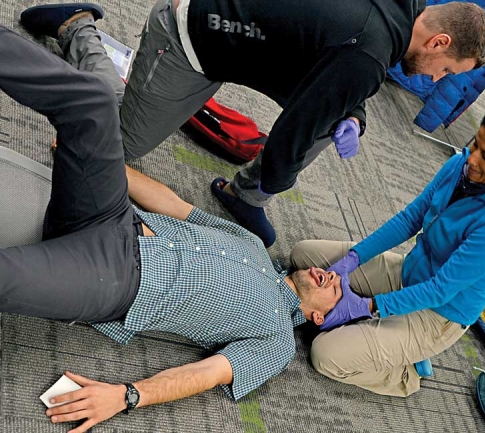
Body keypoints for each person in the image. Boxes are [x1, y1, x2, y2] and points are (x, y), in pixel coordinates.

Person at [0, 18, 343, 433]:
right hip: (116, 217)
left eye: (337, 291)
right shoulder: (253, 244)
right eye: (337, 275)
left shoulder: (277, 343)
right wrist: (100, 160)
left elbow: (206, 375)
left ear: (319, 319)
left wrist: (126, 395)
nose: (333, 277)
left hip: (116, 281)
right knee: (93, 103)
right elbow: (175, 206)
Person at [21, 0, 485, 248]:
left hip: (252, 42)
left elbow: (345, 70)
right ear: (439, 41)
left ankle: (241, 195)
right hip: (189, 38)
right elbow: (294, 132)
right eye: (445, 70)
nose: (435, 79)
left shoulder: (403, 8)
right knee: (114, 149)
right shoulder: (368, 53)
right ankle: (77, 28)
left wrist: (354, 112)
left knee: (336, 115)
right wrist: (276, 175)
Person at [290, 105, 485, 397]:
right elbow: (410, 219)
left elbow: (440, 290)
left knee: (325, 354)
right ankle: (382, 327)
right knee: (303, 254)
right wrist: (354, 258)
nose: (471, 158)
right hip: (409, 273)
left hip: (437, 313)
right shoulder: (460, 166)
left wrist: (367, 306)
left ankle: (404, 371)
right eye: (475, 142)